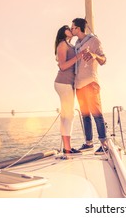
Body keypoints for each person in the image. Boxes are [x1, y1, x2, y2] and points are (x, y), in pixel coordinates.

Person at [71, 18, 108, 154]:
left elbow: (104, 60)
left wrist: (93, 55)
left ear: (79, 28)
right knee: (85, 115)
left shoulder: (94, 41)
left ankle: (104, 144)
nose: (71, 29)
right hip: (79, 84)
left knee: (97, 114)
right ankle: (89, 143)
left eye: (73, 27)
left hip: (91, 83)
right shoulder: (76, 44)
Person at [54, 25, 84, 155]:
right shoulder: (62, 44)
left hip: (67, 83)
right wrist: (79, 56)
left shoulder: (69, 44)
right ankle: (67, 148)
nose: (70, 29)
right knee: (69, 115)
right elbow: (63, 66)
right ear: (62, 32)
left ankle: (67, 148)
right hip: (63, 82)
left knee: (66, 116)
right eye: (67, 28)